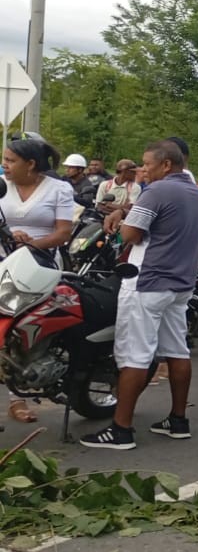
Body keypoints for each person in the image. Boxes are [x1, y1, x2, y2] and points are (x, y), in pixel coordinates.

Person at [81, 140, 198, 449]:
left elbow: (130, 234)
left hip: (147, 282)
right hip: (180, 284)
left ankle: (120, 430)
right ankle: (178, 420)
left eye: (147, 164)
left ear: (166, 165)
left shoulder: (157, 191)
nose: (142, 170)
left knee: (134, 354)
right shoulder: (196, 193)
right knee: (177, 350)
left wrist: (123, 218)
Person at [2, 139, 76, 424]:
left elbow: (63, 233)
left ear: (30, 164)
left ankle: (17, 397)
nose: (5, 165)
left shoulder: (59, 189)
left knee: (24, 332)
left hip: (39, 267)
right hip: (3, 265)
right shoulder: (2, 186)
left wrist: (32, 244)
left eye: (10, 160)